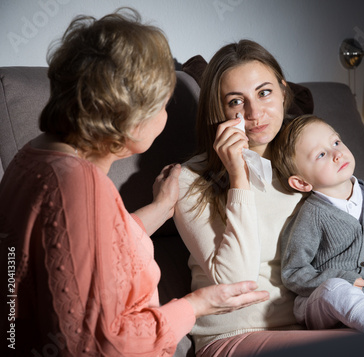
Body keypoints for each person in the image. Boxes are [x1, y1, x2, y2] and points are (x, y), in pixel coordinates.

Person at [0, 9, 269, 356]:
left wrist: (161, 207)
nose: (166, 117)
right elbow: (101, 342)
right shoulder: (77, 187)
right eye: (162, 105)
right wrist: (195, 305)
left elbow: (89, 246)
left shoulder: (33, 156)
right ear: (126, 118)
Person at [174, 40, 364, 356]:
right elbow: (235, 280)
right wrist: (238, 176)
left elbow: (352, 243)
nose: (255, 113)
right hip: (234, 336)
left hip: (316, 322)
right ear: (219, 110)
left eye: (264, 92)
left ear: (283, 91)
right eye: (236, 101)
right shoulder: (189, 179)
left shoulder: (308, 162)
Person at [272, 114, 364, 333]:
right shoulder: (311, 214)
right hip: (322, 301)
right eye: (321, 154)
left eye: (336, 142)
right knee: (336, 289)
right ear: (302, 182)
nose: (337, 154)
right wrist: (341, 277)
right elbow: (293, 271)